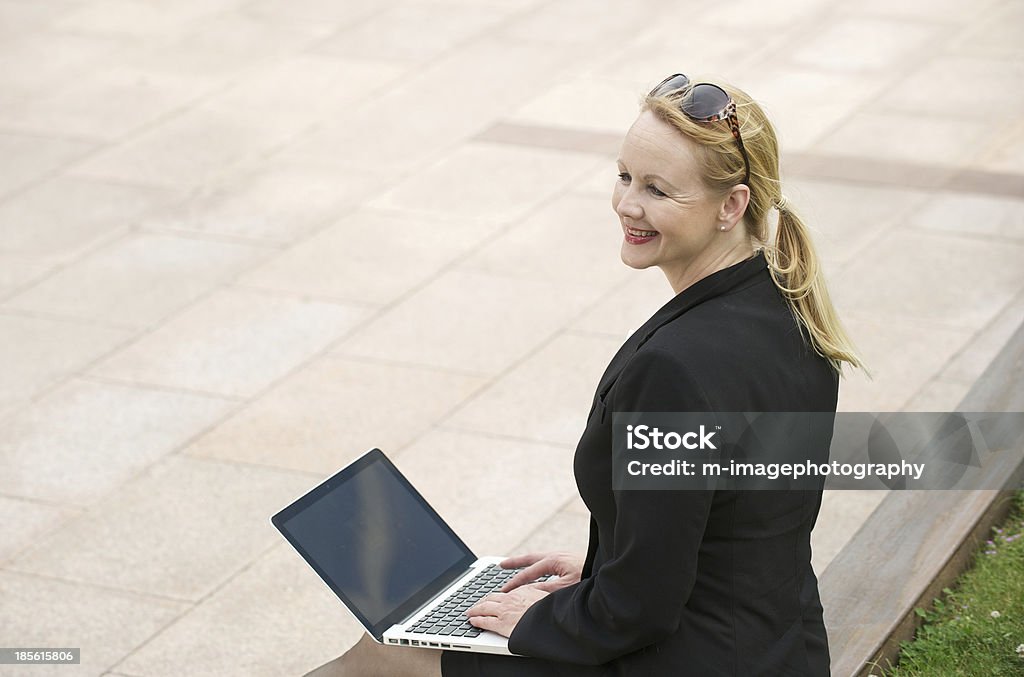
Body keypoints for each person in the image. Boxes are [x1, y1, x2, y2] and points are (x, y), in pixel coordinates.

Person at [307, 72, 864, 677]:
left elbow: (640, 610)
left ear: (731, 205)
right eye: (625, 176)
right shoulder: (790, 313)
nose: (628, 204)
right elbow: (738, 525)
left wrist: (543, 620)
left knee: (385, 656)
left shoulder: (674, 370)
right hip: (776, 653)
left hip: (682, 658)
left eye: (657, 189)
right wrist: (603, 567)